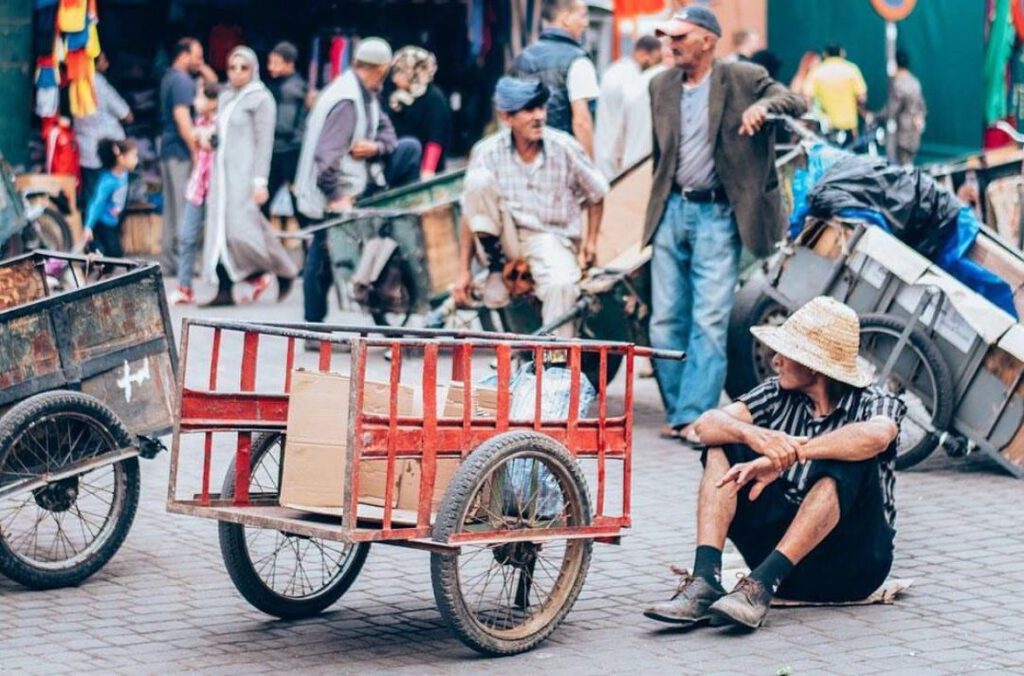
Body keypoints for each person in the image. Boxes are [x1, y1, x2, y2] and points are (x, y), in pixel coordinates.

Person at [643, 297, 905, 630]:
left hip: (851, 567)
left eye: (787, 354)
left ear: (813, 365)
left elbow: (877, 436)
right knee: (721, 445)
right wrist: (755, 438)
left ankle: (761, 585)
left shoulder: (876, 400)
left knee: (849, 457)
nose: (775, 360)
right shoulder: (777, 393)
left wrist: (793, 453)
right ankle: (705, 580)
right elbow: (705, 425)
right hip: (787, 563)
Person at [646, 5, 805, 439]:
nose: (671, 44)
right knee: (663, 320)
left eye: (680, 36)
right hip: (671, 210)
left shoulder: (741, 78)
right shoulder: (659, 86)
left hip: (718, 214)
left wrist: (764, 109)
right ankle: (680, 412)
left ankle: (697, 415)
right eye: (668, 37)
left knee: (708, 318)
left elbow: (795, 100)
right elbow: (661, 157)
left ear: (708, 41)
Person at [453, 77, 609, 339]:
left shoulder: (564, 147)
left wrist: (591, 243)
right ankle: (494, 267)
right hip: (503, 238)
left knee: (561, 285)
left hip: (550, 237)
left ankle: (556, 366)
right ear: (507, 117)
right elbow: (470, 215)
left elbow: (598, 193)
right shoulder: (487, 152)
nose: (538, 117)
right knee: (477, 182)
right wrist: (464, 271)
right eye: (529, 110)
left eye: (541, 108)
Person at [294, 37, 422, 327]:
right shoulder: (348, 101)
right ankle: (312, 324)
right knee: (323, 250)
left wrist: (375, 148)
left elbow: (389, 135)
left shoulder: (367, 94)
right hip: (331, 191)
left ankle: (314, 321)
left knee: (409, 147)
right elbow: (326, 158)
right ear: (381, 70)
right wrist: (336, 196)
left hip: (354, 185)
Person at [202, 46, 298, 307]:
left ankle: (280, 268)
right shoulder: (226, 97)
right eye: (232, 67)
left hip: (245, 176)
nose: (237, 73)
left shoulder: (261, 99)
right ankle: (225, 287)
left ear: (253, 69)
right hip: (222, 175)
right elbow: (221, 131)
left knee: (243, 230)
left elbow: (264, 142)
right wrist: (211, 139)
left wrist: (260, 182)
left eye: (243, 67)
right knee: (222, 230)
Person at [511, 0, 599, 157]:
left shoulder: (521, 59)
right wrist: (590, 169)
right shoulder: (578, 60)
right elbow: (581, 122)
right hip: (562, 159)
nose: (585, 23)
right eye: (583, 16)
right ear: (565, 18)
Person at [158, 37, 215, 275]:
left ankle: (170, 261)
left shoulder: (170, 77)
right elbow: (183, 119)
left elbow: (213, 85)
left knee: (171, 209)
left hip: (168, 150)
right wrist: (195, 152)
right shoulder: (182, 81)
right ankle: (183, 263)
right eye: (197, 55)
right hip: (181, 151)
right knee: (184, 209)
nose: (200, 61)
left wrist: (201, 66)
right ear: (183, 55)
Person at [170, 82, 219, 306]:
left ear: (213, 102)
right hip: (198, 188)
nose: (196, 102)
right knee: (187, 237)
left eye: (201, 97)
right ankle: (184, 286)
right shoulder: (200, 122)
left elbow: (212, 142)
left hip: (217, 190)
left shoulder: (221, 124)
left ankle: (254, 276)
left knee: (222, 240)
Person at [593, 34, 663, 179]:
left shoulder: (615, 70)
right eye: (655, 60)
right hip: (619, 156)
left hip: (605, 149)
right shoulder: (632, 78)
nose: (654, 65)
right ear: (643, 54)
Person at [74, 52, 133, 209]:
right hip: (107, 152)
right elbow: (127, 115)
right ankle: (107, 231)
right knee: (111, 201)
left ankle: (91, 230)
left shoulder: (75, 81)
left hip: (86, 151)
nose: (106, 64)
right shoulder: (100, 84)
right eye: (103, 60)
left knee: (92, 199)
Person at [386, 46, 453, 179]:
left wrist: (427, 172)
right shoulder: (396, 98)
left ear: (414, 72)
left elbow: (436, 138)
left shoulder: (434, 98)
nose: (395, 79)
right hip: (401, 167)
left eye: (400, 72)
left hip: (424, 171)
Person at [265, 41, 308, 218]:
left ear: (289, 63)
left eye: (276, 63)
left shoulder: (291, 89)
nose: (270, 67)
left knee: (297, 201)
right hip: (280, 149)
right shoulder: (285, 85)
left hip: (289, 151)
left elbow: (283, 124)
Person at [83, 138, 138, 258]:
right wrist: (88, 226)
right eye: (133, 157)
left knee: (113, 255)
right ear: (121, 158)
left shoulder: (124, 174)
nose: (136, 161)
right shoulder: (107, 181)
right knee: (113, 255)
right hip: (102, 223)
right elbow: (97, 203)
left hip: (113, 222)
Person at [804, 44, 867, 138]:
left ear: (825, 54)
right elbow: (862, 98)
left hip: (825, 127)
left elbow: (807, 98)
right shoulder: (852, 69)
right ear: (842, 53)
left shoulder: (816, 71)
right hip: (849, 126)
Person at [880, 50, 926, 166]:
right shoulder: (915, 82)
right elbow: (922, 107)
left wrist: (875, 117)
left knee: (902, 165)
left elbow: (891, 109)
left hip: (903, 132)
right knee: (909, 163)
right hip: (915, 130)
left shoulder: (898, 83)